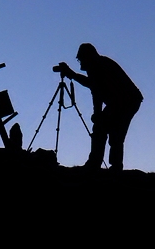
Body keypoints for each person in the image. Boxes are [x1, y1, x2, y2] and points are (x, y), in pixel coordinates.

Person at [57, 43, 143, 171]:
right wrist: (73, 75)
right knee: (108, 130)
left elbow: (96, 92)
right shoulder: (98, 64)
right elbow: (93, 85)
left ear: (87, 57)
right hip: (123, 101)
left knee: (111, 131)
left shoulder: (97, 66)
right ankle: (105, 164)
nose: (80, 62)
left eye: (81, 59)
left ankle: (102, 164)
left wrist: (97, 114)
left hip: (126, 101)